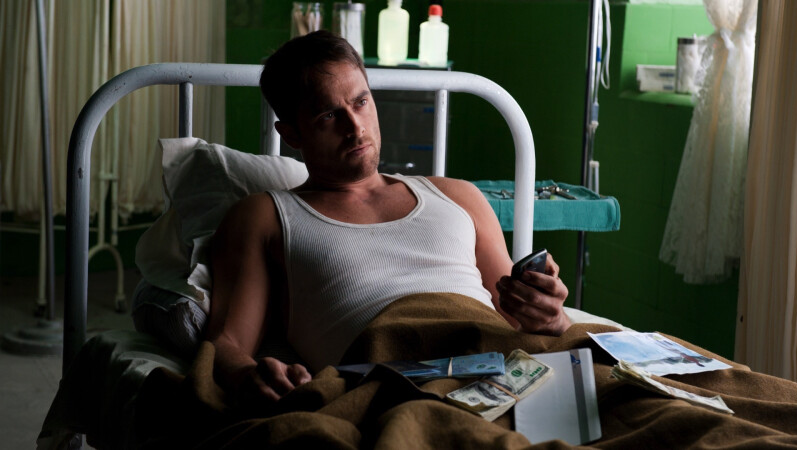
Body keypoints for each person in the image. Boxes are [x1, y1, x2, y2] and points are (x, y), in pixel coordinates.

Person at [207, 30, 570, 407]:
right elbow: (227, 343)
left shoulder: (458, 196)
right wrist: (248, 375)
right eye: (329, 115)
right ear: (291, 134)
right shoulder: (265, 217)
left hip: (498, 373)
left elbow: (517, 321)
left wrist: (553, 318)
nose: (355, 127)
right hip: (392, 388)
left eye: (361, 102)